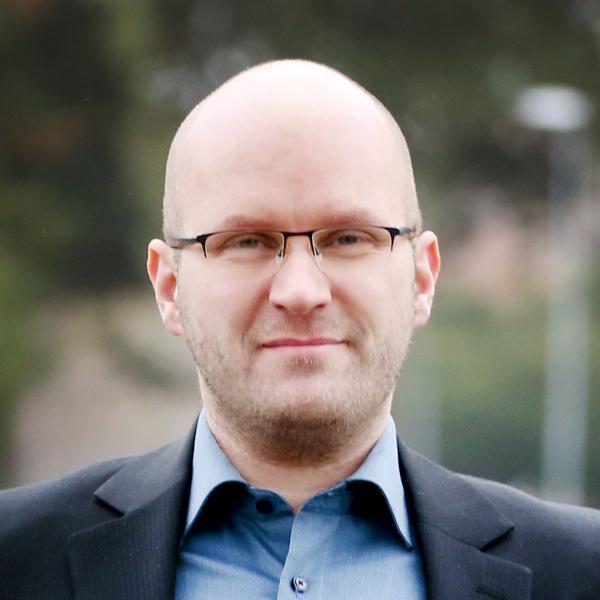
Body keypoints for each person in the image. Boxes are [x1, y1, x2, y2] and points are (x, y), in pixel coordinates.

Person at [0, 59, 599, 600]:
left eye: (349, 238)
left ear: (421, 277)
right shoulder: (17, 560)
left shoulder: (580, 572)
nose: (301, 291)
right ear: (169, 286)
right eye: (246, 241)